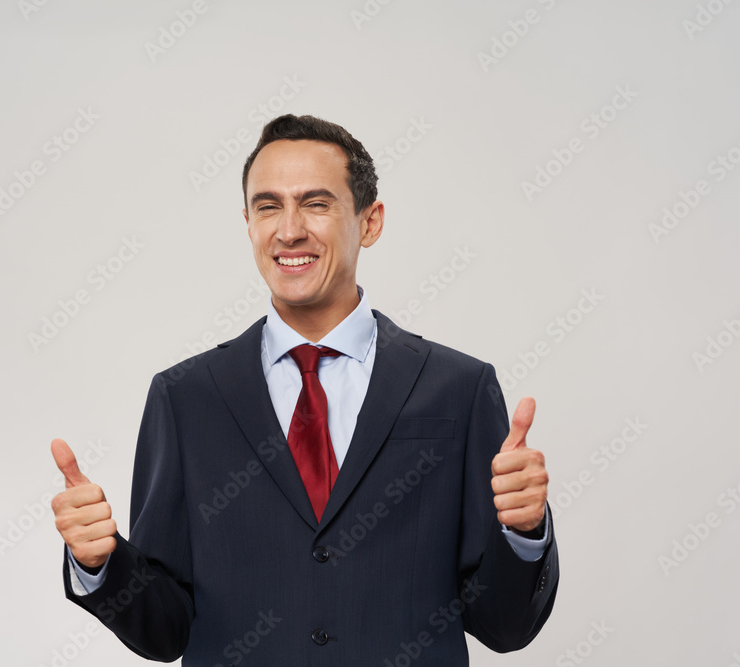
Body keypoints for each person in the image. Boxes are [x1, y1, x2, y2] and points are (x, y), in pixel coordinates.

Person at [50, 114, 558, 665]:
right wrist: (101, 564)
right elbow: (164, 630)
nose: (289, 230)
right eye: (268, 206)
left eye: (316, 203)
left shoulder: (459, 388)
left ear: (370, 222)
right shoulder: (185, 397)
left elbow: (503, 627)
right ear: (248, 223)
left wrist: (524, 533)